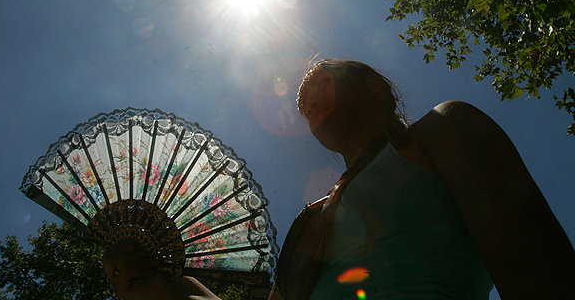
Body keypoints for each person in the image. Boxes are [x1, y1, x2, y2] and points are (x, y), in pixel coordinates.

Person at [103, 59, 575, 300]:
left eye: (319, 79)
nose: (305, 95)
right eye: (301, 99)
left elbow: (540, 268)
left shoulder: (442, 130)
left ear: (372, 85)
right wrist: (168, 287)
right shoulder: (313, 217)